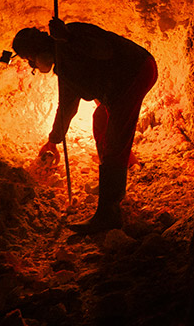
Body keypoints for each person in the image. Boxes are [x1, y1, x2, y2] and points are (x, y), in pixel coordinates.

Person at [12, 18, 158, 234]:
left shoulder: (74, 33)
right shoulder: (63, 66)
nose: (32, 64)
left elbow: (104, 50)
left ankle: (109, 213)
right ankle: (114, 181)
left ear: (36, 51)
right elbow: (67, 107)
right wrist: (53, 141)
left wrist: (69, 39)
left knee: (116, 139)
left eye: (29, 58)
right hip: (116, 84)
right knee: (101, 122)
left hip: (134, 71)